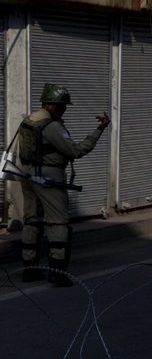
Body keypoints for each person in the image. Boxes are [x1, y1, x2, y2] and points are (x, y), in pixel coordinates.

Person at [16, 83, 109, 287]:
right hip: (49, 176)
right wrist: (99, 130)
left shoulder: (29, 120)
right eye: (61, 106)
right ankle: (57, 271)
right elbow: (75, 151)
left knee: (32, 221)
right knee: (58, 222)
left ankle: (29, 269)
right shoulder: (51, 126)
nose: (64, 109)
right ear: (49, 104)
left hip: (27, 174)